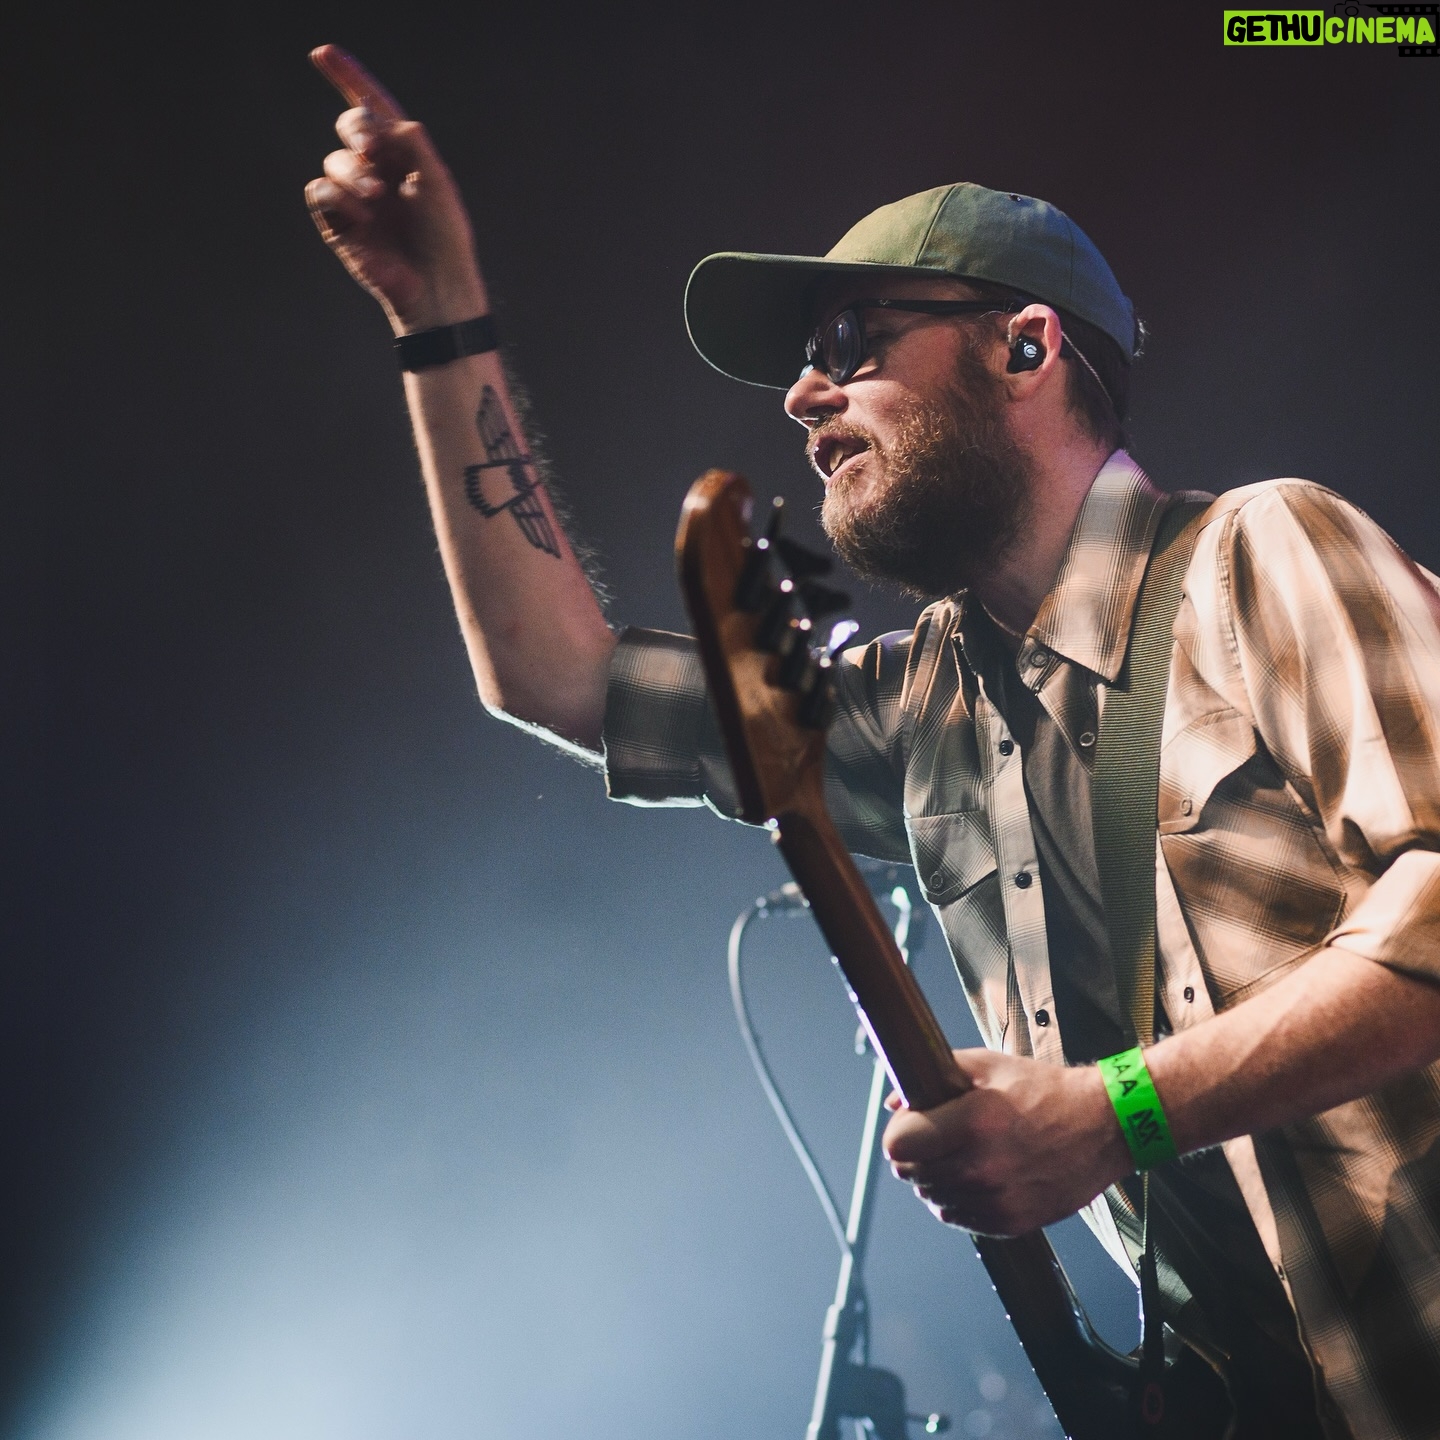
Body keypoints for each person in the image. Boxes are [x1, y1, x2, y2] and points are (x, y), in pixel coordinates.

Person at [305, 45, 1440, 1439]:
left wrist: (1116, 1115)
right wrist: (440, 319)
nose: (801, 396)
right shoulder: (928, 709)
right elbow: (563, 679)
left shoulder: (1263, 553)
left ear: (1026, 348)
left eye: (851, 344)